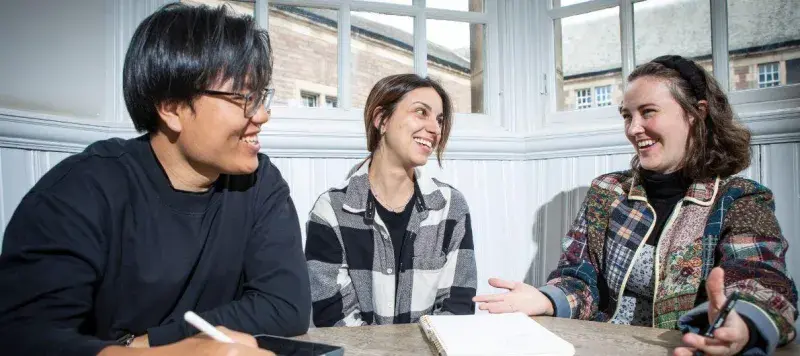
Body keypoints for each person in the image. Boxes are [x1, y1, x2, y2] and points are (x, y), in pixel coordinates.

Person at [0, 3, 310, 355]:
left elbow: (286, 307)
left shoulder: (260, 183)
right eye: (244, 97)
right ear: (172, 108)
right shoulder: (81, 190)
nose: (263, 115)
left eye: (261, 96)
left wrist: (149, 343)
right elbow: (23, 338)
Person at [474, 55, 797, 355]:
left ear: (697, 112)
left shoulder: (741, 198)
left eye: (648, 112)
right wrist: (546, 298)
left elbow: (761, 278)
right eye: (627, 116)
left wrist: (742, 322)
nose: (633, 129)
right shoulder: (608, 191)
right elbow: (581, 277)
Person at [305, 74, 477, 326]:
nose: (435, 129)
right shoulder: (330, 211)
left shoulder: (452, 206)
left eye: (439, 120)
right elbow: (335, 320)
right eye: (421, 112)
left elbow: (457, 310)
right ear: (381, 120)